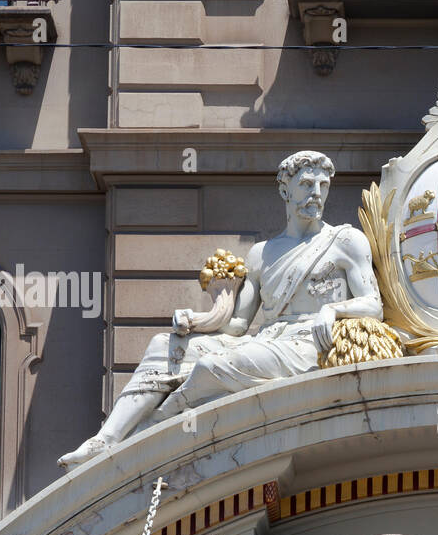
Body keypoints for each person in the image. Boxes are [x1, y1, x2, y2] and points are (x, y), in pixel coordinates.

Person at [59, 150, 383, 469]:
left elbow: (374, 304)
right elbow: (240, 323)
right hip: (267, 341)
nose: (316, 193)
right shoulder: (261, 254)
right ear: (285, 190)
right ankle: (105, 440)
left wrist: (333, 311)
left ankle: (150, 430)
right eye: (307, 184)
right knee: (164, 346)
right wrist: (197, 320)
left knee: (213, 365)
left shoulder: (345, 240)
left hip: (308, 345)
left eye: (323, 186)